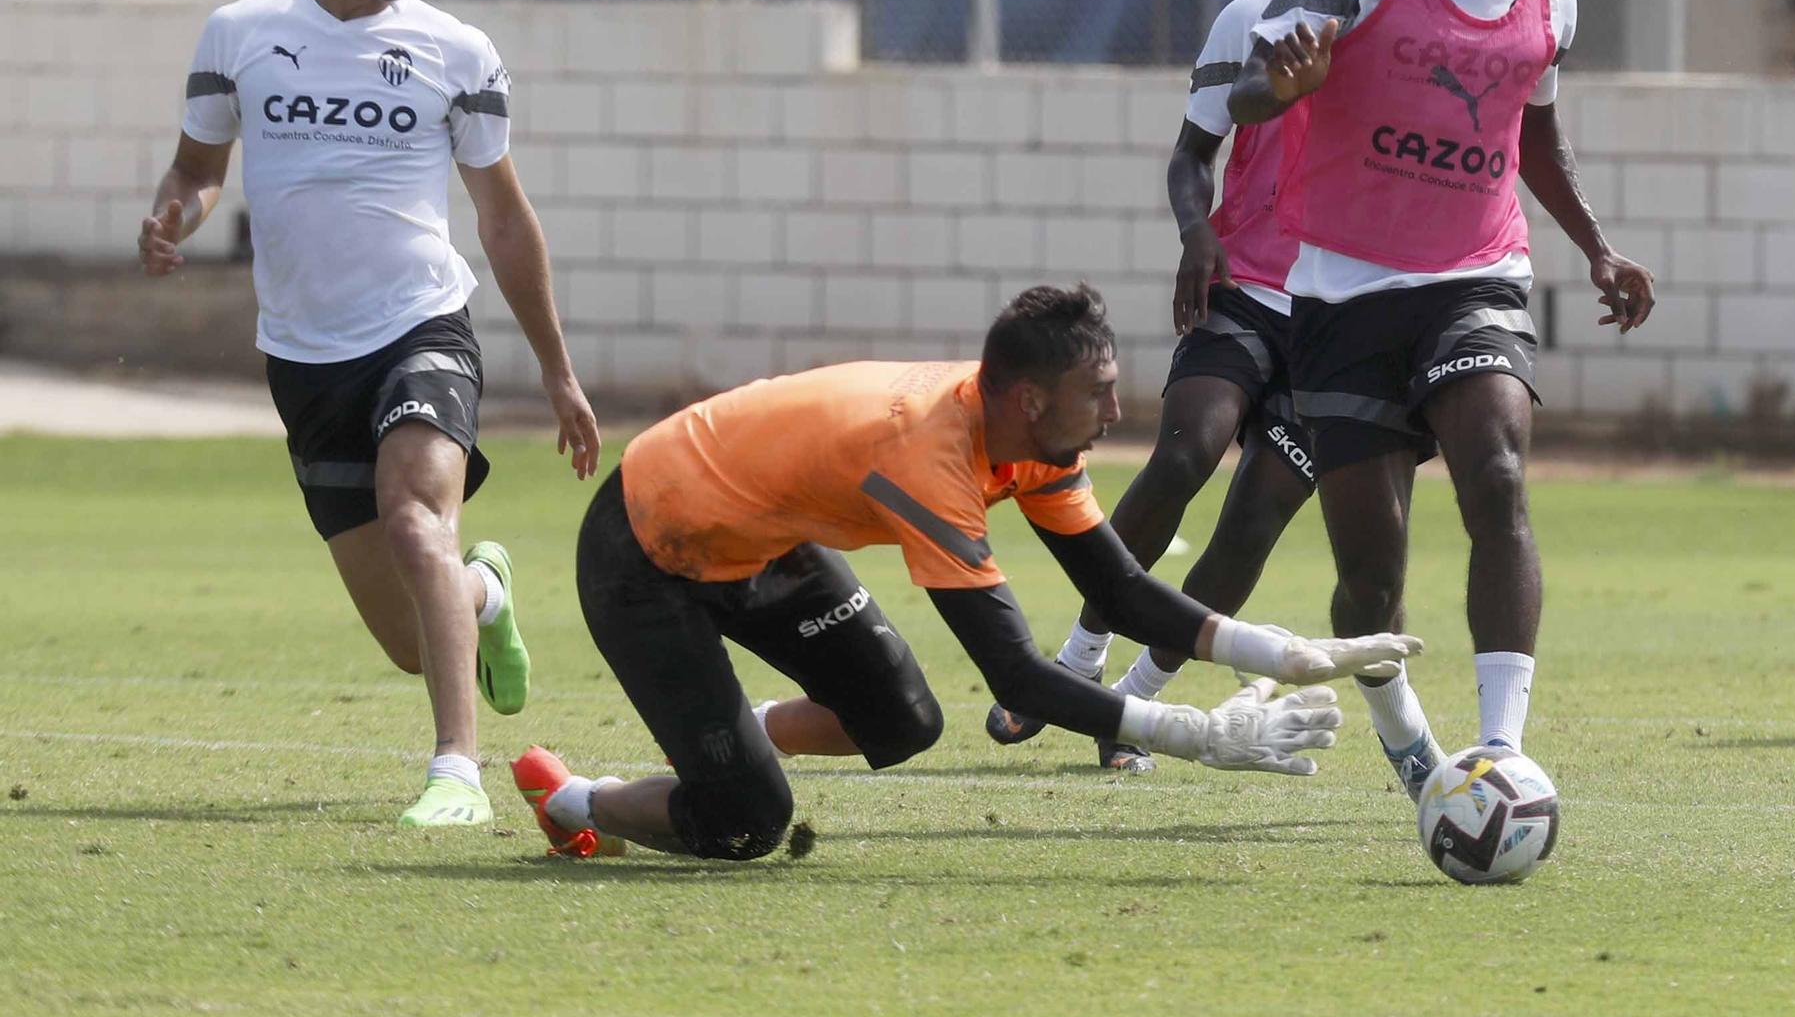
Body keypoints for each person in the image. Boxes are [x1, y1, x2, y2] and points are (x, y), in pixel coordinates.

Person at [510, 285, 1419, 861]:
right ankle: (578, 799)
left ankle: (722, 735)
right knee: (749, 819)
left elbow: (1119, 590)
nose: (1116, 407)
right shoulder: (925, 457)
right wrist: (1197, 734)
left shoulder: (1036, 443)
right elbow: (1018, 674)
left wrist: (1282, 651)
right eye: (1098, 392)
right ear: (1031, 401)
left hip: (756, 537)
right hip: (647, 545)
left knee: (902, 719)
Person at [138, 0, 601, 827]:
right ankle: (485, 591)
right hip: (304, 357)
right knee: (408, 633)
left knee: (413, 519)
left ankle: (455, 772)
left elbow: (505, 221)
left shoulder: (457, 51)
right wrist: (176, 212)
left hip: (422, 326)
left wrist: (558, 373)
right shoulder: (241, 34)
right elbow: (199, 168)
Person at [1228, 0, 1656, 798]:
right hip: (1339, 295)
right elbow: (1251, 89)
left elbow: (1532, 131)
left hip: (1474, 280)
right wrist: (1280, 90)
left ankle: (1502, 747)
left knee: (1496, 477)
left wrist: (1594, 247)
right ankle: (1413, 750)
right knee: (1369, 573)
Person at [985, 0, 1423, 773]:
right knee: (1184, 455)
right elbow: (1193, 155)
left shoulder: (1413, 51)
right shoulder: (1251, 18)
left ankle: (1132, 708)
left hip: (1343, 319)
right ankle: (1079, 659)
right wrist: (1198, 230)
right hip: (1246, 293)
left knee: (1252, 525)